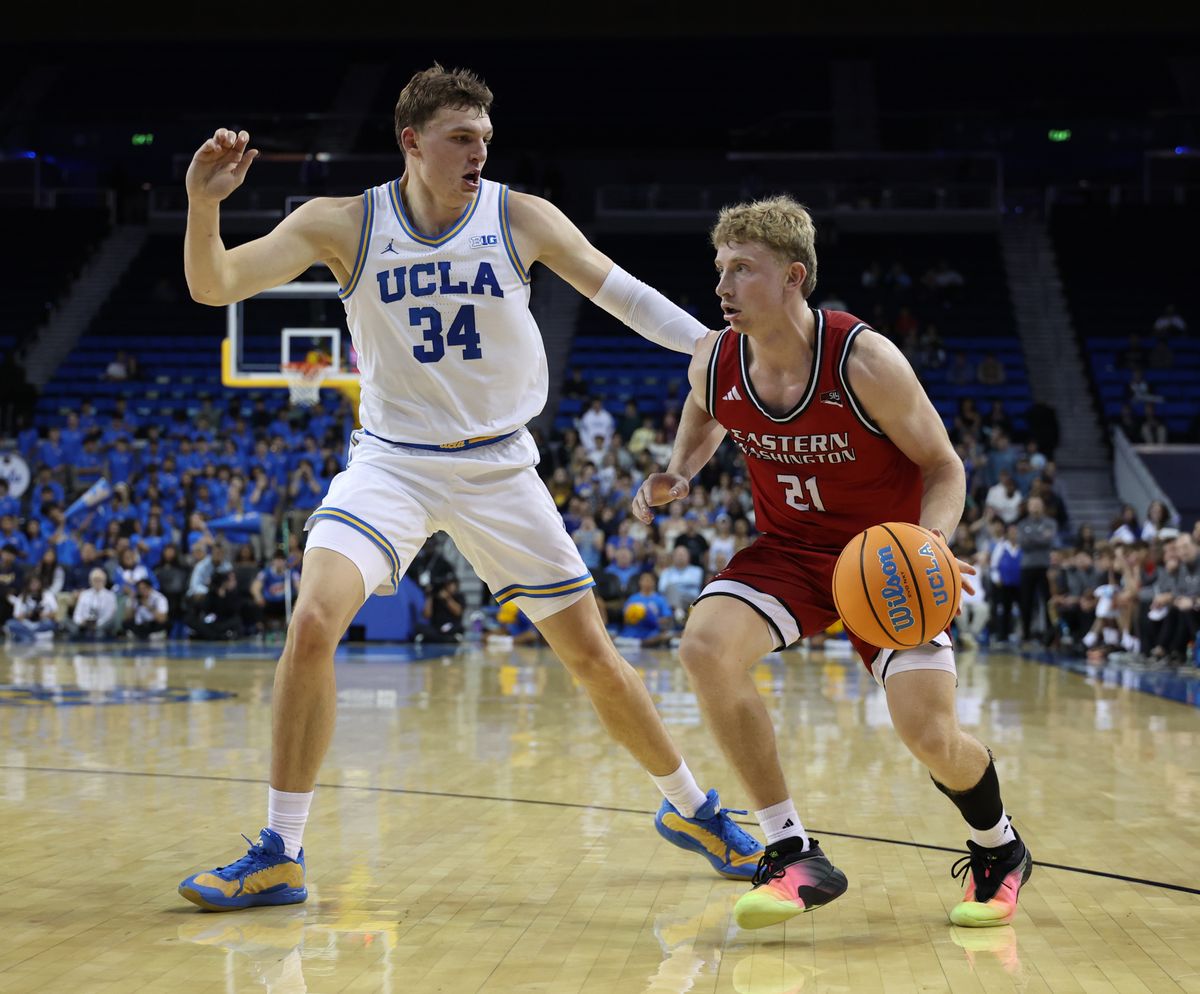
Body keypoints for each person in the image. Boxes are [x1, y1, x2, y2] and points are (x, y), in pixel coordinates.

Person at [177, 64, 759, 911]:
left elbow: (619, 291)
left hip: (498, 468)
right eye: (461, 139)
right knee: (310, 621)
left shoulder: (518, 214)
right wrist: (204, 204)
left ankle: (694, 811)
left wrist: (708, 343)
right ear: (411, 143)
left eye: (485, 139)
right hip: (391, 463)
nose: (479, 153)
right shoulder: (342, 223)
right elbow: (213, 284)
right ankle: (280, 850)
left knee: (594, 660)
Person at [632, 195, 1030, 931]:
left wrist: (930, 545)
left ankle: (998, 847)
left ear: (793, 277)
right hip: (789, 553)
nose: (722, 286)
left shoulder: (866, 360)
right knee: (704, 647)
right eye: (719, 268)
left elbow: (945, 466)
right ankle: (792, 850)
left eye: (742, 270)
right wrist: (678, 471)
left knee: (931, 738)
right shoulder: (714, 356)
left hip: (885, 562)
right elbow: (705, 404)